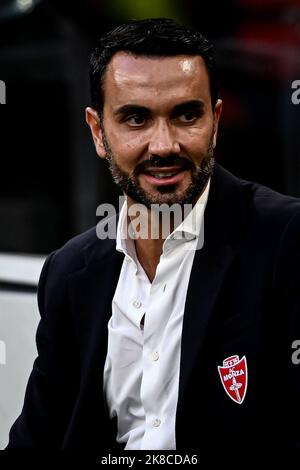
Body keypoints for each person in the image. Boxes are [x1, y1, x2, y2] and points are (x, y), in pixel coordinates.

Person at [7, 18, 300, 452]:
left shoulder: (286, 240)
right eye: (136, 118)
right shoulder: (69, 272)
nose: (163, 145)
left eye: (186, 115)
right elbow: (36, 441)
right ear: (97, 132)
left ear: (215, 122)